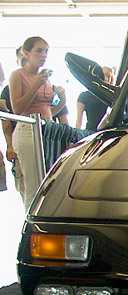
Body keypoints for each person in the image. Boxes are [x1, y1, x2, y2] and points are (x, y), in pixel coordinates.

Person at [8, 36, 66, 208]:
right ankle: (31, 220)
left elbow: (49, 110)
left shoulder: (45, 77)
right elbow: (17, 108)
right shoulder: (17, 75)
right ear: (26, 53)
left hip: (47, 129)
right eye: (39, 51)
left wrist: (62, 98)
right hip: (28, 130)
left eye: (46, 51)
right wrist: (36, 85)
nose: (44, 55)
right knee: (34, 184)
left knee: (50, 182)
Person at [76, 66, 114, 131]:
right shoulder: (84, 96)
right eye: (105, 75)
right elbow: (79, 121)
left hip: (110, 132)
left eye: (110, 77)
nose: (107, 79)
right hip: (91, 133)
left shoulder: (113, 97)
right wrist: (77, 135)